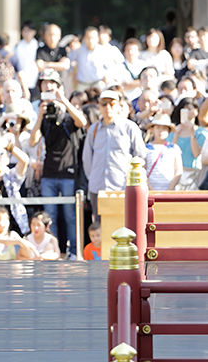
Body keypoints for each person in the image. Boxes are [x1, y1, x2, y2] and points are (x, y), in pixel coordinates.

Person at [29, 69, 87, 259]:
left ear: (59, 87)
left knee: (71, 215)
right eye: (44, 84)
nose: (47, 86)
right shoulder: (44, 115)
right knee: (50, 215)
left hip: (68, 172)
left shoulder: (67, 114)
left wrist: (64, 101)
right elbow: (33, 141)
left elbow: (82, 121)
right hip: (49, 173)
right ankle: (52, 250)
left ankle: (73, 251)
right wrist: (40, 115)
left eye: (51, 83)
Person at [82, 90, 146, 220]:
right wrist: (93, 177)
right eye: (104, 104)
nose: (108, 107)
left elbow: (140, 155)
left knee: (123, 223)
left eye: (112, 103)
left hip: (122, 187)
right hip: (98, 187)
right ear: (99, 106)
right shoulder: (93, 129)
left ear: (118, 105)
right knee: (100, 227)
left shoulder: (129, 127)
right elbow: (87, 158)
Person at [145, 115, 182, 191]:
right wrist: (150, 189)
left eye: (164, 128)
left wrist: (169, 189)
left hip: (170, 191)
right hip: (150, 191)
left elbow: (178, 171)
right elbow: (142, 171)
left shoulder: (174, 148)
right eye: (158, 127)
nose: (161, 131)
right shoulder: (146, 148)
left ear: (168, 131)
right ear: (152, 129)